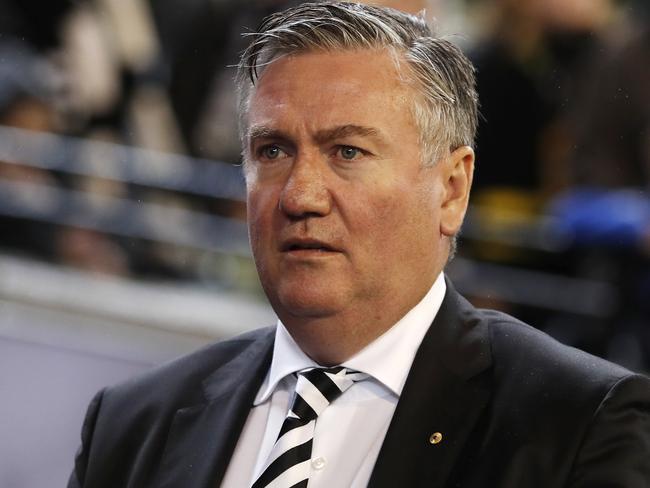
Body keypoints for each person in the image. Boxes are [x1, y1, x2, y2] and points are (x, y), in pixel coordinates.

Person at [68, 3, 650, 487]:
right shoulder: (132, 424)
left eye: (347, 152)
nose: (301, 195)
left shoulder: (580, 425)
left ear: (451, 189)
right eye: (273, 151)